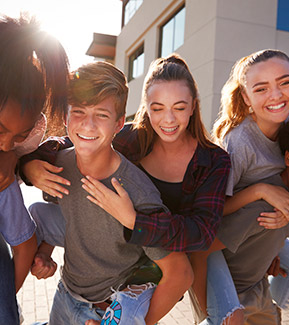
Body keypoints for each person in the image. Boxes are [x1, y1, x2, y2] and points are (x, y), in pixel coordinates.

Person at [21, 55, 240, 324]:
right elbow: (73, 143)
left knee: (231, 318)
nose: (168, 119)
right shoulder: (128, 138)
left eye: (179, 107)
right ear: (146, 108)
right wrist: (29, 165)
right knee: (39, 212)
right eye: (157, 108)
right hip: (87, 276)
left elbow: (201, 235)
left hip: (185, 247)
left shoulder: (211, 161)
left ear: (194, 106)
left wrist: (134, 221)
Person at [189, 49, 289, 324]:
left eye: (285, 82)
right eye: (261, 89)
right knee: (225, 314)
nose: (276, 95)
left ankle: (269, 310)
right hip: (222, 236)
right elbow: (215, 210)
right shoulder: (239, 142)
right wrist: (260, 191)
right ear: (246, 97)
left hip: (263, 226)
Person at [215, 106, 289, 324]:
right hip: (238, 291)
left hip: (258, 289)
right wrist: (213, 310)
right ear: (288, 158)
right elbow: (204, 247)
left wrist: (287, 221)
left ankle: (274, 310)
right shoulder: (240, 142)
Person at [0, 14, 69, 324]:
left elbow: (25, 245)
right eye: (0, 130)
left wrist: (5, 302)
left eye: (18, 137)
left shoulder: (3, 179)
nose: (5, 145)